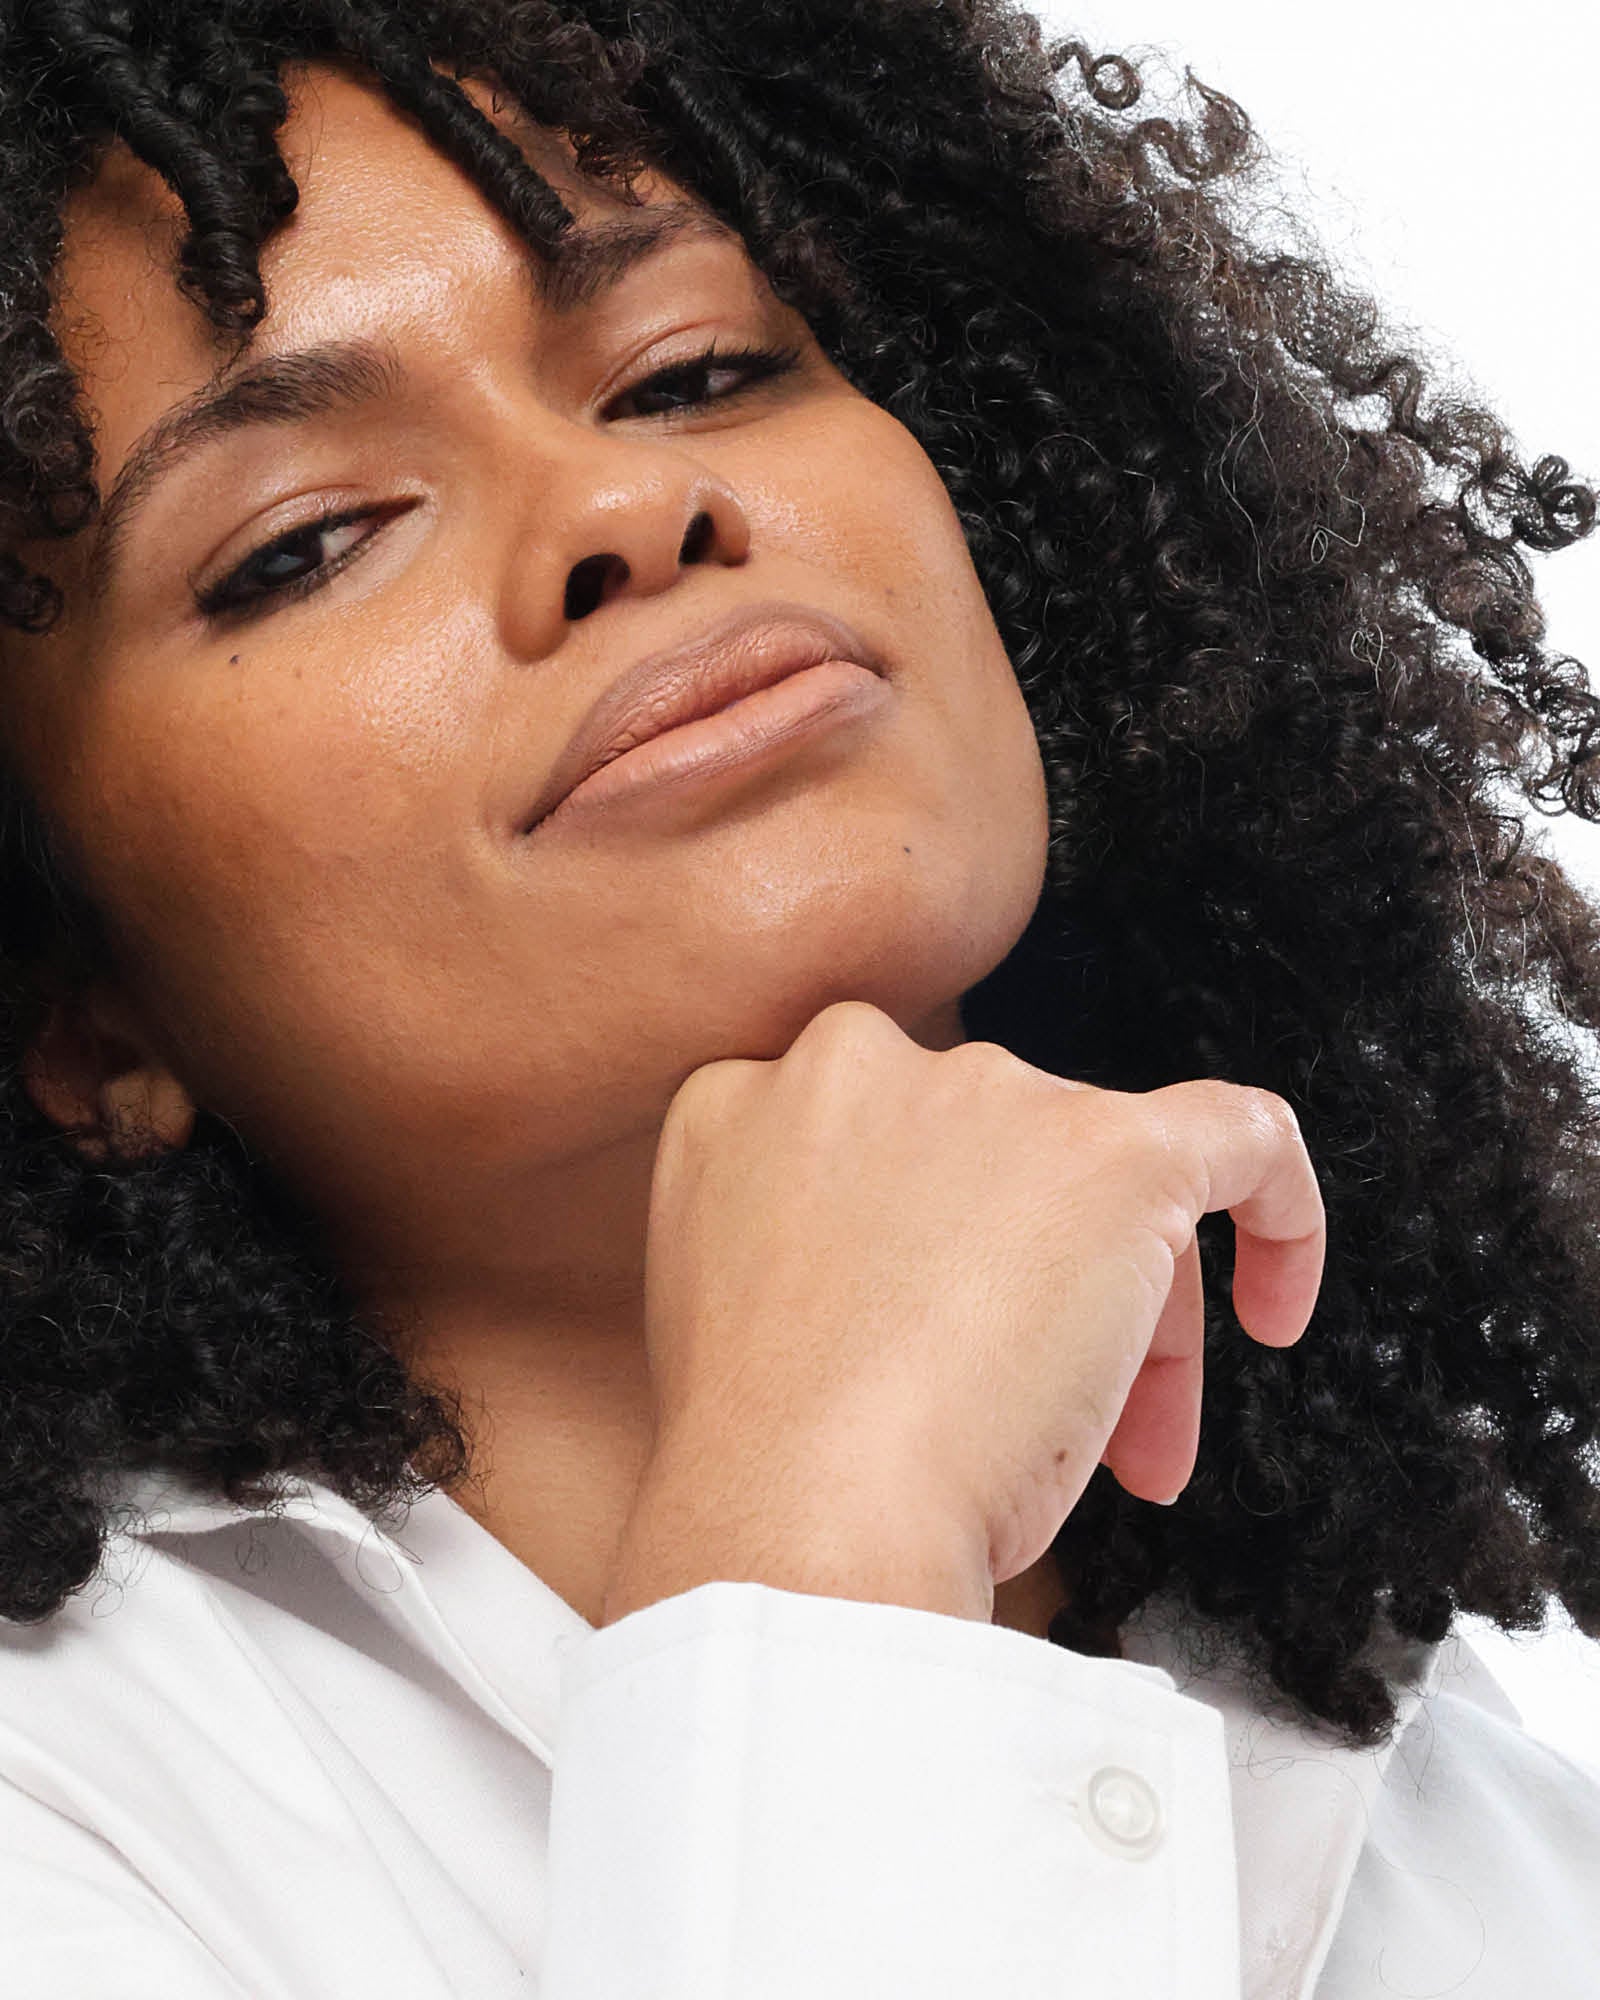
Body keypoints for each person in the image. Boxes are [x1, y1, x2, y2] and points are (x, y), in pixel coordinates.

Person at [1, 0, 1597, 1991]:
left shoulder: (1484, 1819)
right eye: (308, 540)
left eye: (697, 370)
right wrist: (822, 1552)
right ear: (83, 1018)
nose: (620, 512)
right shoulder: (56, 1824)